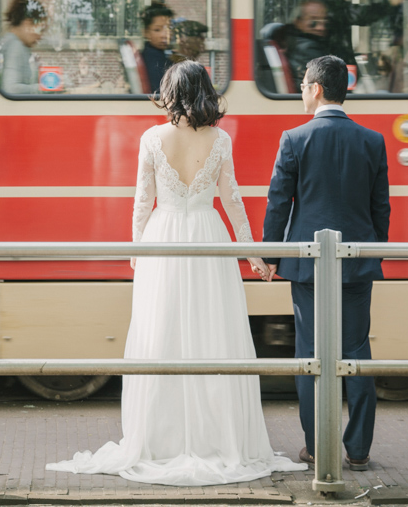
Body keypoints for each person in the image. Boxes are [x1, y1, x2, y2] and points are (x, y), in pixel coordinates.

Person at [48, 61, 308, 485]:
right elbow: (233, 201)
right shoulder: (220, 139)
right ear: (205, 91)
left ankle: (159, 440)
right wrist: (253, 254)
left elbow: (142, 201)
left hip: (163, 238)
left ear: (171, 93)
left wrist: (136, 252)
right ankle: (218, 439)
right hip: (209, 235)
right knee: (214, 331)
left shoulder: (152, 138)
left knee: (161, 333)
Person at [262, 55, 390, 472]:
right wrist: (373, 251)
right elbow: (380, 208)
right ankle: (358, 450)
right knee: (357, 352)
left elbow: (278, 204)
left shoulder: (294, 138)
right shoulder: (372, 140)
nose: (301, 90)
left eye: (302, 84)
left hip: (308, 264)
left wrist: (269, 256)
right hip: (357, 262)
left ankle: (318, 447)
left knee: (310, 354)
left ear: (316, 89)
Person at [0, 0, 46, 94]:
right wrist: (44, 88)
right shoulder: (15, 46)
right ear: (27, 24)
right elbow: (10, 89)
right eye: (40, 29)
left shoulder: (13, 43)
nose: (40, 36)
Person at [283, 0, 331, 88]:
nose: (321, 27)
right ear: (298, 22)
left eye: (324, 22)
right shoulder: (308, 48)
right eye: (313, 22)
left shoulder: (293, 42)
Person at [139, 3, 174, 93]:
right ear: (146, 32)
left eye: (168, 28)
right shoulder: (153, 58)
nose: (165, 35)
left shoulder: (162, 54)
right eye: (157, 30)